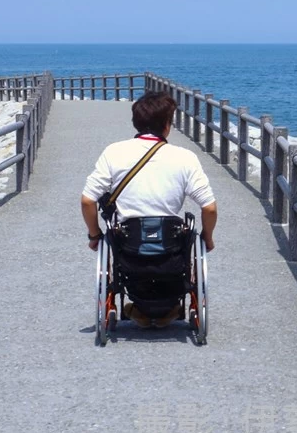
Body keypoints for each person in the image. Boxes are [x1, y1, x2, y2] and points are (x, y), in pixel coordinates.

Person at [80, 92, 217, 328]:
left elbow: (87, 201)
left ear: (136, 122)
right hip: (171, 246)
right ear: (167, 125)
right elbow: (209, 207)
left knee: (117, 234)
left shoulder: (114, 152)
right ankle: (171, 305)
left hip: (128, 245)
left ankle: (134, 306)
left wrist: (94, 235)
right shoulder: (184, 158)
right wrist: (208, 237)